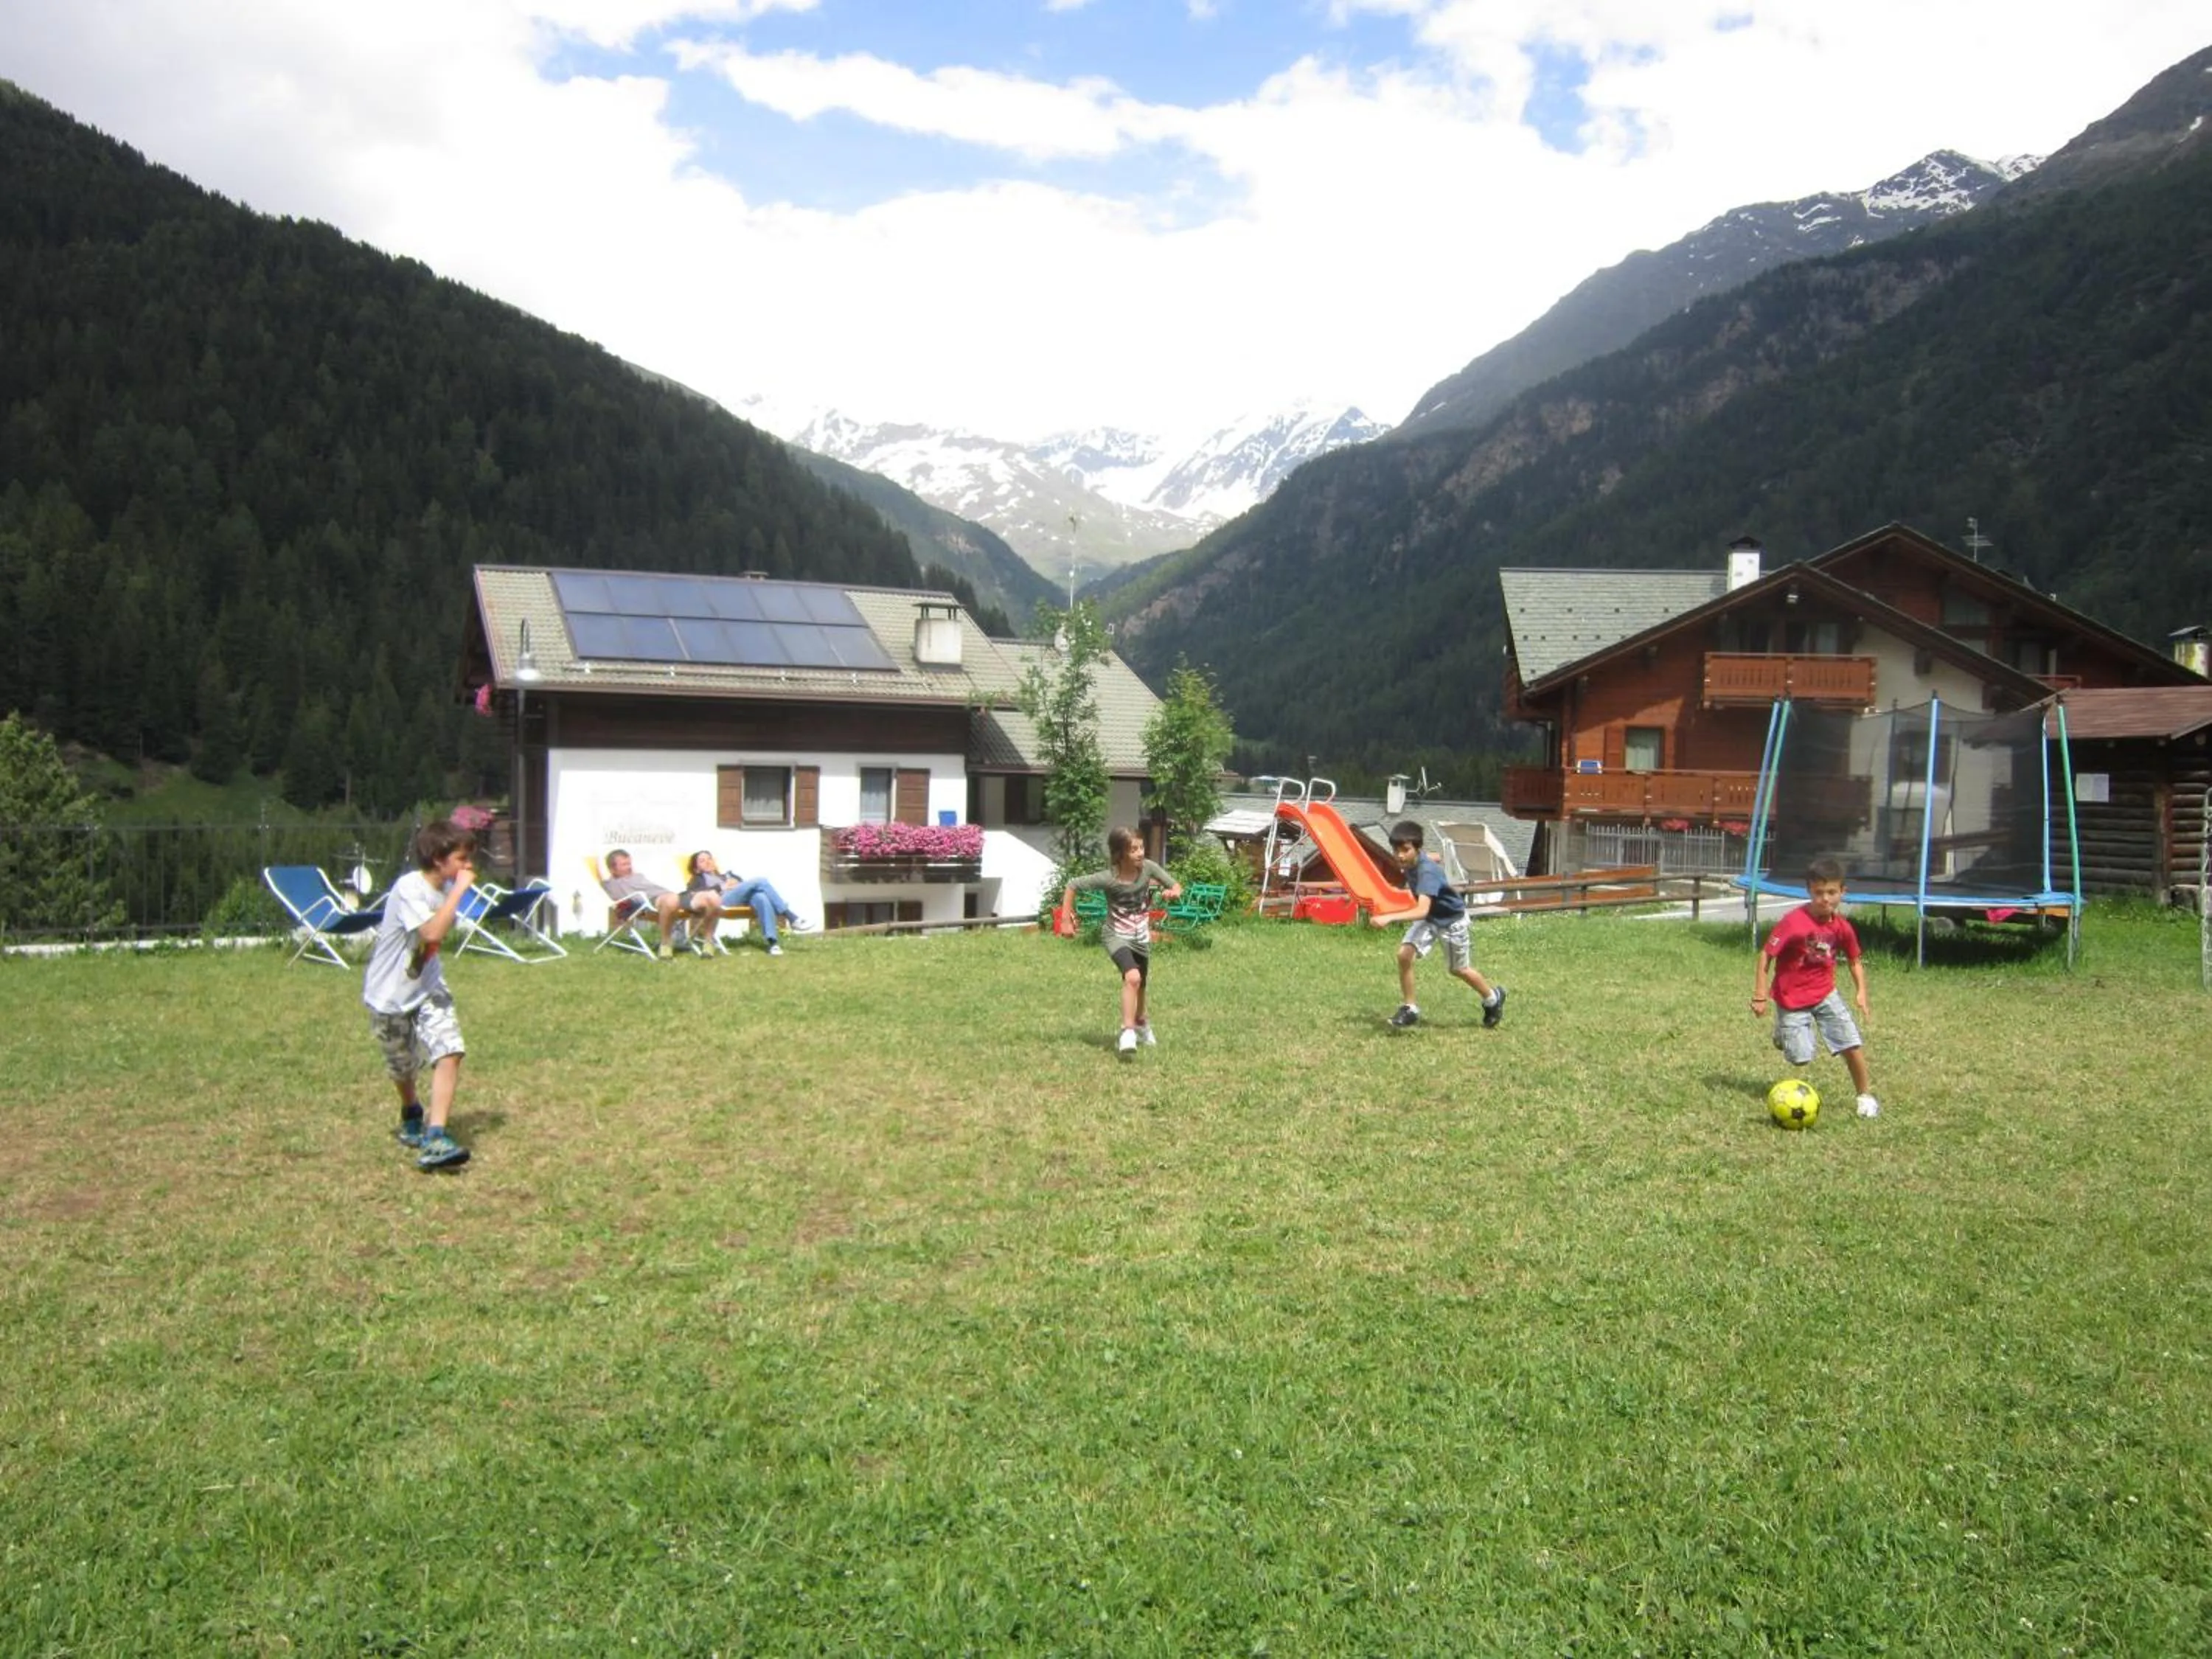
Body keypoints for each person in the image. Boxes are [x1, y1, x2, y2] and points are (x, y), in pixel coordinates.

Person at [362, 818, 476, 1169]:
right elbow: (431, 933)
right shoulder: (410, 887)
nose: (468, 866)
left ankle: (436, 1136)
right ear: (439, 859)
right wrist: (459, 892)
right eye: (461, 859)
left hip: (428, 987)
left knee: (450, 1049)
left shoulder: (442, 890)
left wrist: (453, 893)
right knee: (403, 1066)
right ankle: (411, 1111)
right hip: (389, 995)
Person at [1753, 854, 1879, 1118]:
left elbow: (1855, 960)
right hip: (1791, 998)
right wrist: (1760, 995)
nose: (1825, 899)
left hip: (1825, 993)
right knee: (1800, 1058)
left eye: (1832, 892)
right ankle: (1783, 1033)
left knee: (1851, 1043)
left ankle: (1865, 1096)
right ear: (1809, 891)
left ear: (1843, 892)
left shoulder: (1842, 927)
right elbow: (1766, 955)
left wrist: (1862, 993)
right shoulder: (1793, 922)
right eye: (1819, 892)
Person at [1062, 826, 1181, 1057]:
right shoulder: (1110, 878)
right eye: (1133, 849)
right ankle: (1128, 1031)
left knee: (1141, 986)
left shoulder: (1149, 869)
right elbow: (1072, 885)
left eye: (1141, 847)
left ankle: (1142, 1022)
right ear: (1120, 853)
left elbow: (1175, 885)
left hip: (1140, 937)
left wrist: (1173, 892)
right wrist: (1066, 920)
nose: (1140, 853)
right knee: (1133, 978)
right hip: (1115, 935)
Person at [1375, 819, 1506, 1029]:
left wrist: (1389, 917)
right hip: (1431, 918)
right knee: (1404, 955)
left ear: (1417, 849)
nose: (1400, 855)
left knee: (1459, 969)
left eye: (1406, 850)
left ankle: (1493, 998)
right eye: (1396, 849)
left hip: (1450, 921)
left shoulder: (1427, 872)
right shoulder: (1411, 863)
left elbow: (1421, 910)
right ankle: (1410, 1009)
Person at [684, 850, 812, 957]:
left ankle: (773, 944)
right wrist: (722, 887)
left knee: (761, 897)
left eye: (710, 858)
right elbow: (695, 894)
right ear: (696, 869)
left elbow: (745, 887)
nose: (708, 862)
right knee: (761, 881)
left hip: (739, 899)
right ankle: (790, 916)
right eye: (702, 861)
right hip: (720, 901)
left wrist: (736, 883)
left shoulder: (726, 876)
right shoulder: (698, 880)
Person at [603, 848, 717, 959]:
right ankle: (666, 944)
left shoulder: (637, 876)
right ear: (612, 869)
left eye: (629, 863)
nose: (629, 867)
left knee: (712, 897)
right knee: (672, 900)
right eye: (624, 865)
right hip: (654, 902)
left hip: (676, 897)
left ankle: (708, 942)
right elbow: (617, 898)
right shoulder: (612, 884)